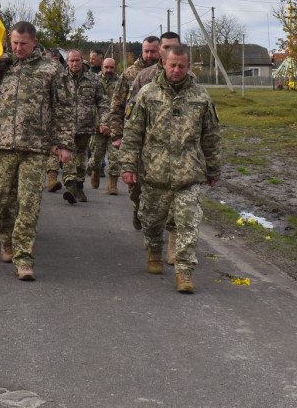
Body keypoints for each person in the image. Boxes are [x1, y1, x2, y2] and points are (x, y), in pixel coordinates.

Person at [0, 21, 72, 282]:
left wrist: (63, 144)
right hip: (1, 146)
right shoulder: (1, 66)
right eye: (14, 43)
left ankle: (24, 258)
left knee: (28, 205)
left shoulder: (51, 69)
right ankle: (6, 239)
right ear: (9, 40)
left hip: (35, 147)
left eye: (24, 44)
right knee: (2, 203)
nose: (18, 48)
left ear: (35, 43)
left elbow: (64, 107)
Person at [118, 43, 221, 293]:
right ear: (163, 64)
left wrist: (213, 169)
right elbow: (133, 133)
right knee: (151, 220)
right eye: (172, 65)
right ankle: (154, 249)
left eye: (182, 66)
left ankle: (184, 271)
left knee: (188, 223)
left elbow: (211, 136)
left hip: (189, 173)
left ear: (189, 67)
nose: (176, 70)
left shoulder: (200, 96)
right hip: (155, 172)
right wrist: (128, 165)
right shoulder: (147, 94)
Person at [108, 36, 161, 230]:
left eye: (153, 51)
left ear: (160, 51)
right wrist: (117, 135)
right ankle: (138, 207)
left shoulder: (168, 72)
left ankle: (157, 225)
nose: (149, 55)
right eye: (146, 51)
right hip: (135, 137)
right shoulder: (131, 74)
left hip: (159, 141)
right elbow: (117, 105)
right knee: (135, 186)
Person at [60, 50, 109, 204]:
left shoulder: (93, 80)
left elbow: (103, 102)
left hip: (85, 126)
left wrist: (104, 122)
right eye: (71, 61)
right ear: (67, 62)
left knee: (81, 159)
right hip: (65, 127)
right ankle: (70, 185)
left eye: (77, 60)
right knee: (68, 156)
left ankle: (79, 186)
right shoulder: (59, 79)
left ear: (82, 61)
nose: (74, 64)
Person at [90, 56, 120, 192]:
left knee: (115, 158)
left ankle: (112, 184)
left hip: (115, 126)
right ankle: (95, 170)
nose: (109, 70)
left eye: (111, 67)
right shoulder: (95, 81)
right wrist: (99, 123)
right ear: (102, 67)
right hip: (98, 126)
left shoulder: (120, 83)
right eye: (106, 67)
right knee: (96, 155)